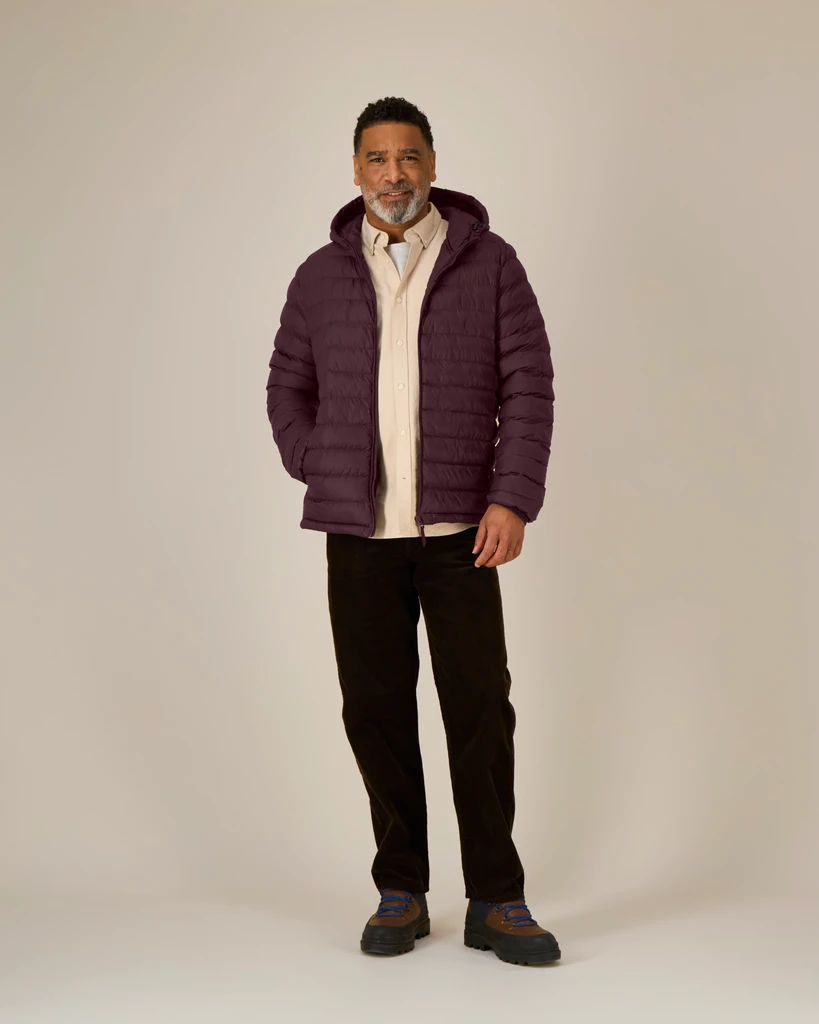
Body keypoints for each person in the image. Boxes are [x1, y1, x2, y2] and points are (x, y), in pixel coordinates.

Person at [266, 96, 558, 967]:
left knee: (480, 710)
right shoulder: (319, 276)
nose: (392, 174)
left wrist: (510, 500)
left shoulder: (490, 263)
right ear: (355, 169)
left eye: (407, 157)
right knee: (375, 710)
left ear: (432, 164)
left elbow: (529, 386)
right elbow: (286, 387)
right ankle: (401, 888)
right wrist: (317, 461)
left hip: (463, 530)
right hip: (358, 533)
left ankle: (496, 897)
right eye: (376, 158)